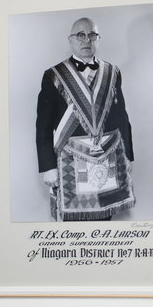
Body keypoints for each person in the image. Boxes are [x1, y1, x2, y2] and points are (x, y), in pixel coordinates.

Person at [36, 17, 135, 221]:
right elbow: (43, 126)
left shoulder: (112, 72)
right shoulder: (53, 76)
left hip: (105, 161)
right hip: (70, 163)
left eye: (92, 35)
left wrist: (127, 154)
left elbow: (121, 117)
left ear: (98, 39)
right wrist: (48, 167)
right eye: (80, 35)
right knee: (75, 225)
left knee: (103, 220)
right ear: (70, 40)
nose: (86, 40)